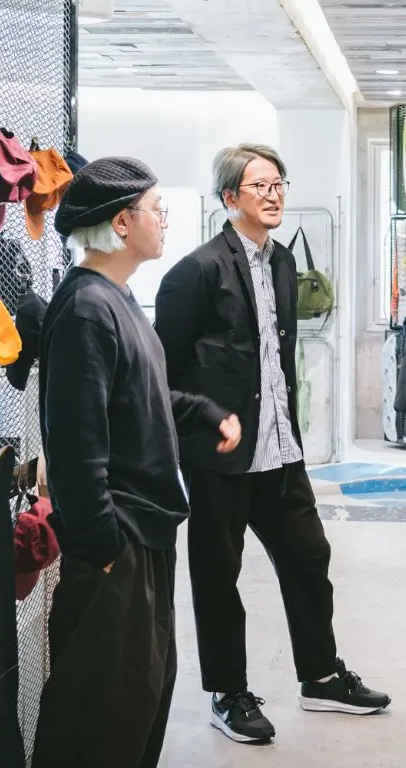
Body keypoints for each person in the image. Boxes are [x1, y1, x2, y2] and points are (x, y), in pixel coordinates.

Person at [155, 143, 391, 746]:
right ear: (229, 197)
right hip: (221, 457)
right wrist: (196, 435)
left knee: (309, 558)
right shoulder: (197, 271)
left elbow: (275, 361)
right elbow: (164, 372)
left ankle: (321, 676)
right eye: (260, 185)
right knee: (218, 576)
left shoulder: (283, 263)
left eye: (279, 183)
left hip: (280, 450)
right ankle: (227, 693)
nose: (274, 194)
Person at [33, 156, 240, 768]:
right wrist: (102, 545)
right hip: (117, 543)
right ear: (122, 223)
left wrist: (201, 411)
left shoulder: (115, 298)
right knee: (99, 719)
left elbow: (138, 396)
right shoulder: (86, 309)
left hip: (141, 535)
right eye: (156, 210)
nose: (163, 220)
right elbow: (75, 446)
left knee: (136, 705)